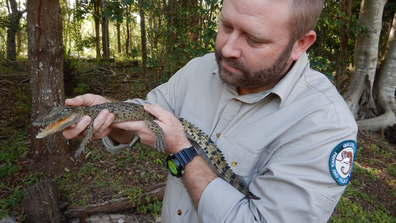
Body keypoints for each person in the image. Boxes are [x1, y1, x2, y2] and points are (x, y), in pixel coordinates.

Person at [63, 0, 358, 222]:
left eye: (253, 39)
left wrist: (182, 151)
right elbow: (146, 115)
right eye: (226, 26)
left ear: (300, 44)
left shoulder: (325, 125)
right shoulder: (201, 68)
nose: (227, 48)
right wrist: (110, 114)